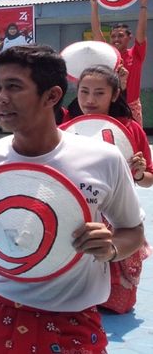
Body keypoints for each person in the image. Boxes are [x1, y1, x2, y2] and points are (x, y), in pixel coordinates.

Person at [0, 45, 145, 353]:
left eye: (14, 87)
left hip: (74, 319)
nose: (0, 99)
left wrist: (111, 248)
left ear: (51, 96)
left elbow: (132, 232)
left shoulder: (103, 159)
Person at [63, 64, 151, 314]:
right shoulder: (65, 128)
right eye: (84, 92)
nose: (90, 99)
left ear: (114, 94)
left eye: (99, 93)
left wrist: (138, 173)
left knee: (117, 299)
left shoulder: (130, 129)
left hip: (119, 214)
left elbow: (148, 180)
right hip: (78, 212)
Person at [91, 0, 149, 125]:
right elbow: (96, 32)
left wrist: (143, 5)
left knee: (134, 142)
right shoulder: (108, 54)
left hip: (132, 106)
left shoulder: (136, 53)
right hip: (111, 105)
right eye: (113, 36)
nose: (116, 39)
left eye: (121, 35)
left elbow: (142, 30)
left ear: (129, 37)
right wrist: (94, 7)